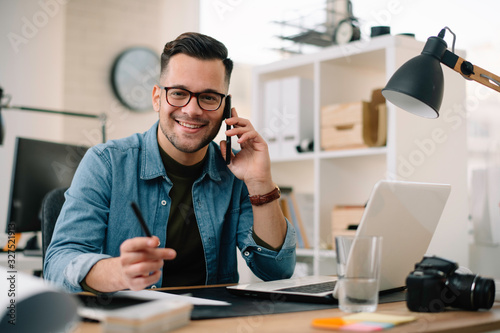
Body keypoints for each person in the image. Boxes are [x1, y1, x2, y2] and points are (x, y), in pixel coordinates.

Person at [44, 32, 296, 293]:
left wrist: (260, 182)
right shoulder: (106, 163)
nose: (192, 109)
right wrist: (118, 272)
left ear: (225, 108)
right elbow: (57, 265)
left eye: (209, 97)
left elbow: (277, 270)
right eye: (178, 93)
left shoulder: (235, 172)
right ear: (156, 98)